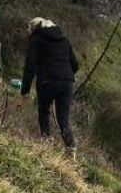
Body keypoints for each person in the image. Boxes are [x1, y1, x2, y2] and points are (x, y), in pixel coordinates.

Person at [21, 17, 79, 160]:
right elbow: (75, 64)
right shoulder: (64, 40)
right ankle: (71, 150)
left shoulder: (36, 40)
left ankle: (46, 142)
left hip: (47, 81)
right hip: (67, 82)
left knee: (44, 111)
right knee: (63, 118)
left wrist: (25, 90)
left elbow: (30, 66)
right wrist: (66, 76)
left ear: (34, 28)